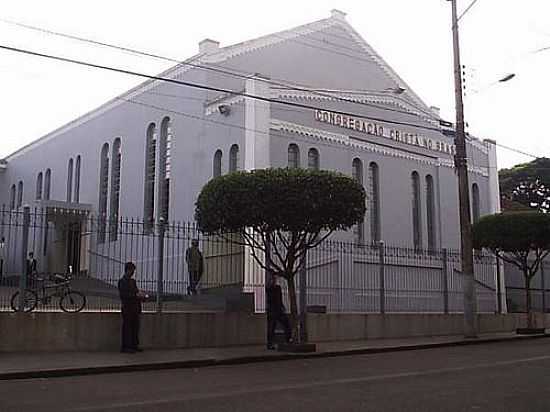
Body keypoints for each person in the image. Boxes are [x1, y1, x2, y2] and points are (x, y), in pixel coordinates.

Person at [118, 262, 147, 353]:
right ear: (127, 270)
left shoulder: (132, 281)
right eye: (132, 270)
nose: (133, 272)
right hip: (127, 308)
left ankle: (134, 345)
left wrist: (140, 295)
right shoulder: (122, 282)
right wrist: (136, 295)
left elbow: (136, 291)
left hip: (135, 308)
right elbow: (124, 295)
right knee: (127, 328)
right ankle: (126, 346)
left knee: (135, 327)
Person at [266, 275, 292, 350]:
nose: (274, 281)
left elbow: (279, 299)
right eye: (272, 279)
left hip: (278, 310)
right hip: (272, 310)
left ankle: (288, 339)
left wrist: (282, 306)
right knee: (271, 327)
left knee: (286, 323)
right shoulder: (269, 289)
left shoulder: (277, 288)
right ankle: (270, 344)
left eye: (274, 279)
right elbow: (271, 299)